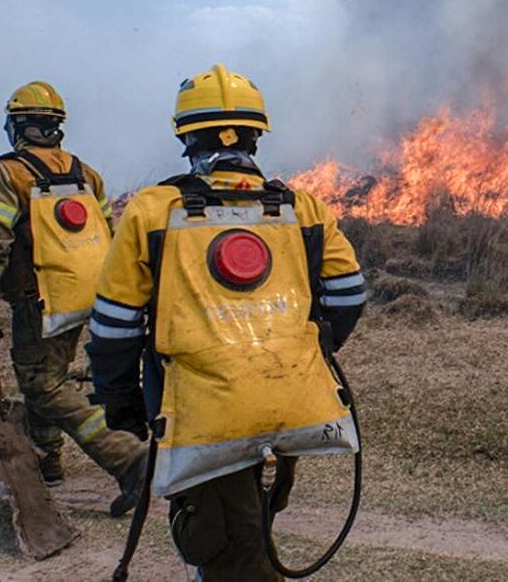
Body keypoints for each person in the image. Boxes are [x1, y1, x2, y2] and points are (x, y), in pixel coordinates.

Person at [87, 64, 366, 580]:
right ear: (256, 136)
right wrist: (307, 348)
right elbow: (348, 295)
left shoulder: (153, 211)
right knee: (250, 519)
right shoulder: (302, 208)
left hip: (200, 410)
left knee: (226, 546)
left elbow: (116, 327)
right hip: (288, 397)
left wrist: (121, 400)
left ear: (186, 137)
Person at [0, 81, 146, 516]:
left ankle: (128, 458)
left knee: (42, 386)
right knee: (49, 373)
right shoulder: (87, 173)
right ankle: (49, 461)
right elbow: (110, 237)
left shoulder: (7, 173)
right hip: (87, 293)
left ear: (17, 127)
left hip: (38, 297)